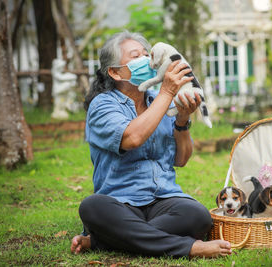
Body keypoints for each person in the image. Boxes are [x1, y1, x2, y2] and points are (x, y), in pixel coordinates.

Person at [70, 31, 232, 258]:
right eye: (136, 56)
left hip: (163, 199)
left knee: (198, 215)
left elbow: (181, 159)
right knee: (92, 206)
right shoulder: (102, 105)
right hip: (119, 202)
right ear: (115, 72)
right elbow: (132, 138)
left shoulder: (158, 99)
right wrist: (167, 91)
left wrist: (183, 119)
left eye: (147, 55)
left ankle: (103, 241)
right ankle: (189, 248)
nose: (146, 61)